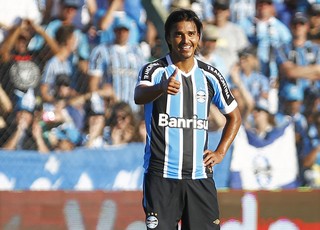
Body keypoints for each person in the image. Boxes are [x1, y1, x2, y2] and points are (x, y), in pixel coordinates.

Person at [134, 9, 241, 229]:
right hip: (161, 176)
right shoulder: (154, 71)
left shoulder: (211, 75)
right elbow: (138, 96)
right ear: (169, 39)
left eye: (191, 34)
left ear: (198, 37)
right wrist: (161, 88)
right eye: (179, 34)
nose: (186, 40)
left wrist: (220, 152)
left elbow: (234, 117)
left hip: (199, 178)